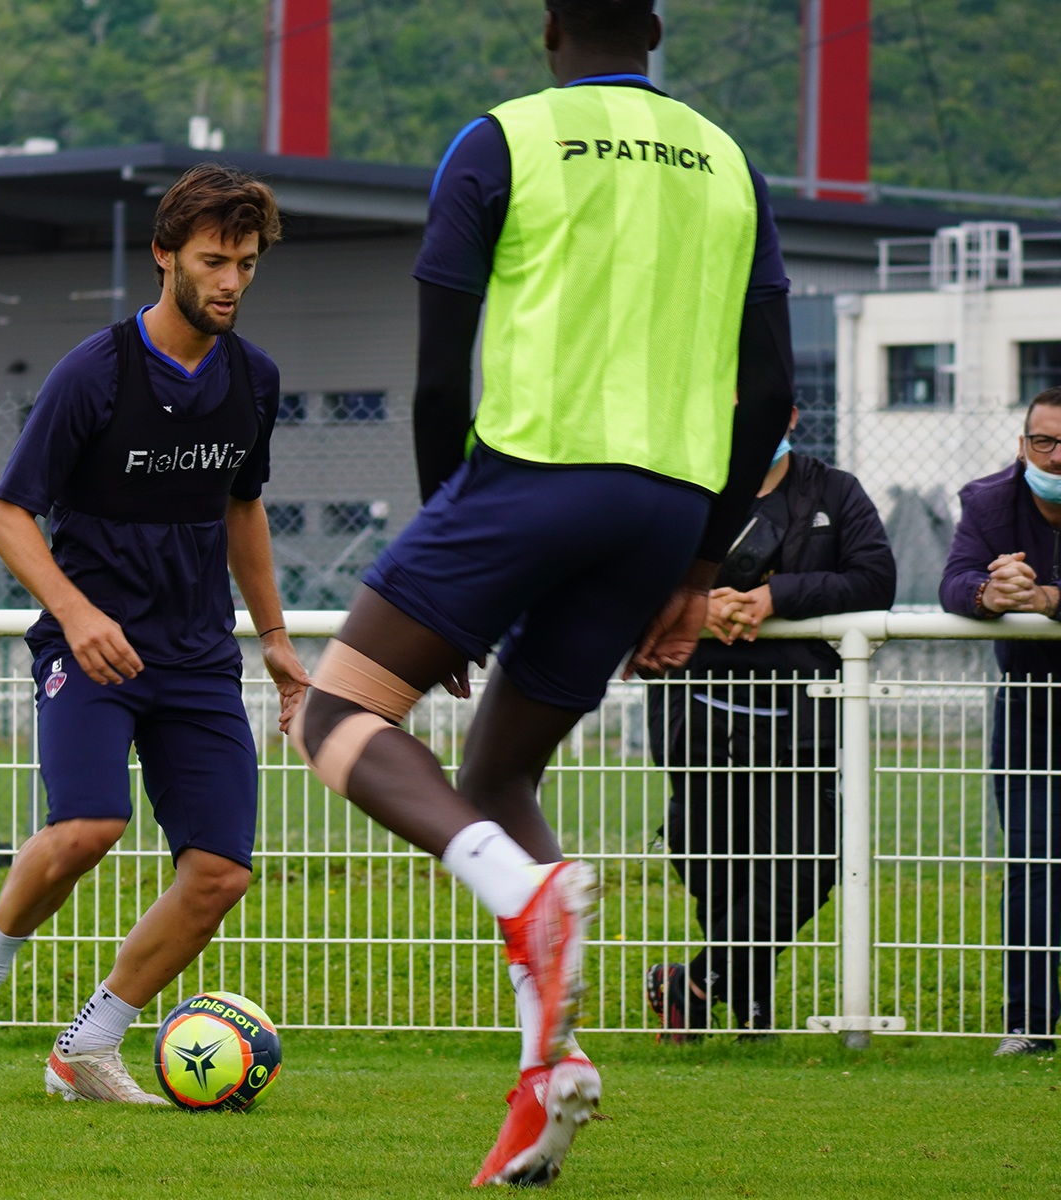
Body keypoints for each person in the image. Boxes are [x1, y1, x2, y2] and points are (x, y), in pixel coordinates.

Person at [287, 0, 795, 1185]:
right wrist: (700, 559)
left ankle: (522, 894)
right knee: (500, 772)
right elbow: (767, 393)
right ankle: (550, 1075)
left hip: (528, 479)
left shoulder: (500, 139)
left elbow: (431, 380)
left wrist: (439, 560)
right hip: (667, 506)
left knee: (332, 715)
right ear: (656, 29)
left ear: (550, 25)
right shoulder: (729, 163)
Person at [0, 165, 310, 1103]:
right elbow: (8, 515)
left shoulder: (256, 379)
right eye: (214, 260)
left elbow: (243, 510)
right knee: (89, 824)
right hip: (92, 651)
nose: (232, 282)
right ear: (164, 256)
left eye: (246, 263)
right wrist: (77, 614)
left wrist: (275, 637)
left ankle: (87, 1045)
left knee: (219, 874)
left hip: (199, 655)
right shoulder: (95, 371)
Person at [644, 410, 895, 1041]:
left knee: (809, 861)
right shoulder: (678, 488)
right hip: (694, 710)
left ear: (788, 411)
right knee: (714, 863)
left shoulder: (834, 490)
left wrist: (777, 597)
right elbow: (631, 579)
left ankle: (698, 983)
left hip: (799, 715)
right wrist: (700, 606)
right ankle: (748, 1003)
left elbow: (875, 579)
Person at [941, 385, 1061, 1058]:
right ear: (1023, 445)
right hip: (1030, 701)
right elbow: (953, 579)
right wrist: (990, 593)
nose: (1055, 456)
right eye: (1043, 441)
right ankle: (1030, 1022)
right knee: (1032, 858)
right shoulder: (987, 500)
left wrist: (1048, 597)